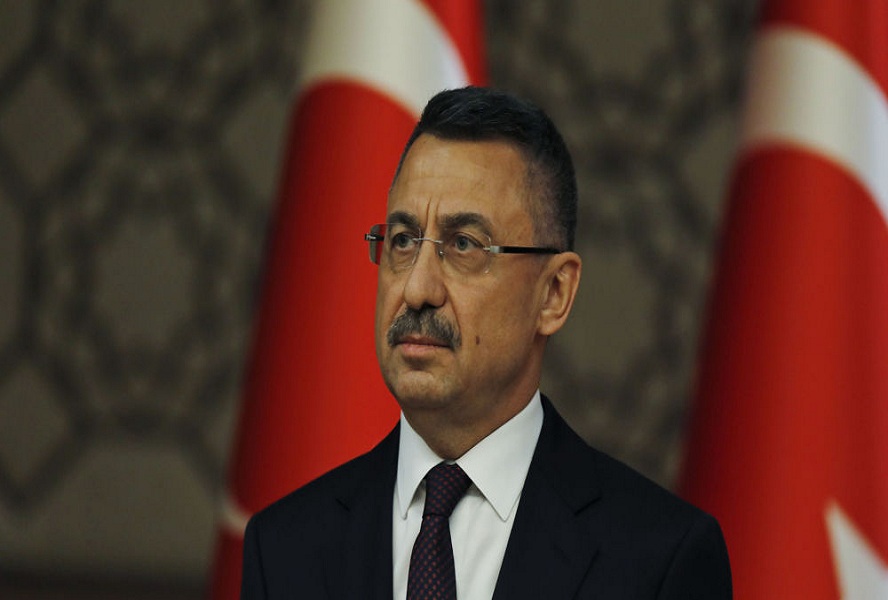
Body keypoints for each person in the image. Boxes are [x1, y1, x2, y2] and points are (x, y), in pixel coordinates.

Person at [240, 86, 732, 599]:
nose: (418, 289)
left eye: (464, 245)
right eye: (403, 241)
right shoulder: (283, 550)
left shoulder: (660, 559)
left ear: (554, 293)